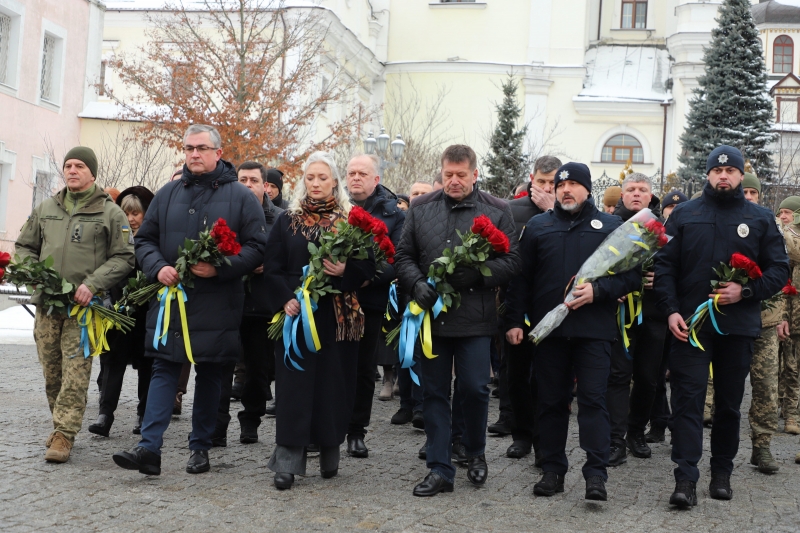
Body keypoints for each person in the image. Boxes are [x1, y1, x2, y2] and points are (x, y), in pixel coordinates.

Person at [112, 124, 267, 476]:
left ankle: (200, 448)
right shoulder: (167, 194)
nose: (194, 154)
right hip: (171, 302)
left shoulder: (241, 197)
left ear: (218, 153)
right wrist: (159, 268)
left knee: (211, 374)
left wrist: (220, 268)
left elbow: (258, 249)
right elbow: (144, 241)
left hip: (218, 303)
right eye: (188, 148)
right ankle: (149, 449)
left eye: (201, 148)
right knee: (164, 370)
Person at [654, 145, 788, 508]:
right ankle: (685, 478)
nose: (724, 176)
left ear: (740, 175)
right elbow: (664, 266)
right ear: (708, 174)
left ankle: (722, 473)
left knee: (728, 405)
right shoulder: (683, 214)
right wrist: (669, 311)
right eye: (717, 171)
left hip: (738, 326)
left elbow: (779, 270)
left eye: (731, 171)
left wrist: (744, 291)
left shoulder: (760, 217)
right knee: (688, 402)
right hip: (690, 326)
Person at [506, 162, 641, 501]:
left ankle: (596, 475)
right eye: (560, 186)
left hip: (594, 332)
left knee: (594, 403)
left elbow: (632, 276)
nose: (565, 190)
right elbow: (521, 279)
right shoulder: (538, 226)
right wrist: (512, 320)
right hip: (550, 333)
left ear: (587, 189)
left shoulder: (611, 226)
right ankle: (552, 470)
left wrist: (600, 291)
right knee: (551, 402)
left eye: (573, 185)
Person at [395, 144, 521, 497]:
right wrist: (417, 283)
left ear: (474, 174)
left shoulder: (497, 211)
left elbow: (512, 262)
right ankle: (439, 468)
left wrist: (480, 275)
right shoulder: (420, 208)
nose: (453, 181)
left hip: (476, 320)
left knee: (475, 388)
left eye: (460, 175)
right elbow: (403, 255)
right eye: (448, 174)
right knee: (434, 392)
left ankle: (475, 452)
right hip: (432, 321)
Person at [15, 146, 135, 463]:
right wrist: (34, 275)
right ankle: (60, 425)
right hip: (47, 306)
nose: (72, 170)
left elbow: (124, 258)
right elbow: (24, 247)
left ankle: (65, 435)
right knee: (52, 372)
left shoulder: (111, 213)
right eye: (68, 165)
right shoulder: (46, 208)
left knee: (75, 374)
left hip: (84, 310)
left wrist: (92, 284)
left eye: (79, 165)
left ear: (92, 173)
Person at [264, 151, 375, 490]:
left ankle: (330, 451)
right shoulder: (287, 220)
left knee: (333, 385)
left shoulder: (352, 219)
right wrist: (285, 299)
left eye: (322, 178)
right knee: (293, 387)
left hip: (338, 318)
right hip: (297, 317)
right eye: (310, 178)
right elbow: (271, 269)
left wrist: (347, 272)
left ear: (334, 182)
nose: (315, 184)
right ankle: (288, 460)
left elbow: (372, 267)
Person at [210, 161, 284, 447]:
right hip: (227, 302)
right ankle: (217, 427)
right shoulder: (224, 213)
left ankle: (251, 420)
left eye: (254, 180)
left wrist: (267, 263)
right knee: (221, 368)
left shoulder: (280, 218)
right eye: (243, 179)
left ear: (265, 185)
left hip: (262, 305)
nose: (248, 185)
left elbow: (287, 257)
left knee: (257, 370)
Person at [344, 153, 405, 459]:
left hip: (369, 300)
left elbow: (397, 260)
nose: (355, 178)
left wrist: (365, 278)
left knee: (363, 368)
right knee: (332, 365)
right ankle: (325, 427)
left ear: (376, 179)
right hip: (332, 299)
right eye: (351, 173)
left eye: (362, 173)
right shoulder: (335, 209)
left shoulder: (393, 214)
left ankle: (356, 431)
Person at [604, 173, 667, 467]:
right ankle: (615, 439)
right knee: (617, 376)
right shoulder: (607, 225)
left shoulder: (661, 229)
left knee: (647, 378)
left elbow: (674, 265)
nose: (637, 194)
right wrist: (610, 287)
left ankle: (636, 432)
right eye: (631, 189)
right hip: (617, 314)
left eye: (643, 189)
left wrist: (660, 277)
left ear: (651, 195)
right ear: (622, 195)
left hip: (652, 315)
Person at [500, 155, 562, 453]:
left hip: (554, 306)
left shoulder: (569, 211)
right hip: (517, 303)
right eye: (542, 182)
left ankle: (544, 438)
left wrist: (553, 211)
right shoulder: (511, 210)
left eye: (553, 183)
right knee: (516, 374)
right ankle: (521, 434)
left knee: (547, 377)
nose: (548, 188)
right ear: (531, 178)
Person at [88, 187, 156, 438]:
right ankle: (105, 415)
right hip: (116, 311)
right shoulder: (111, 239)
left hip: (146, 312)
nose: (131, 218)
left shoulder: (153, 241)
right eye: (126, 212)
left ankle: (143, 414)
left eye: (136, 213)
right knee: (111, 363)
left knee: (147, 365)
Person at [736, 173, 786, 474]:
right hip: (729, 319)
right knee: (720, 384)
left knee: (766, 385)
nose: (749, 196)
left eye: (753, 192)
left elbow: (780, 271)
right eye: (745, 191)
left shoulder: (769, 224)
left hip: (765, 321)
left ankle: (762, 445)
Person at [644, 189, 689, 444]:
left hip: (685, 313)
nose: (672, 213)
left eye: (677, 209)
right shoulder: (653, 237)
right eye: (669, 209)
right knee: (656, 374)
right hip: (658, 314)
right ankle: (659, 422)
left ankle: (678, 426)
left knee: (682, 375)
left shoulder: (692, 235)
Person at [778, 196, 800, 436]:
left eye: (788, 212)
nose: (783, 217)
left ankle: (791, 411)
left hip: (796, 314)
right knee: (784, 367)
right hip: (782, 313)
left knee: (793, 366)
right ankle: (783, 408)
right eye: (780, 212)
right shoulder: (781, 237)